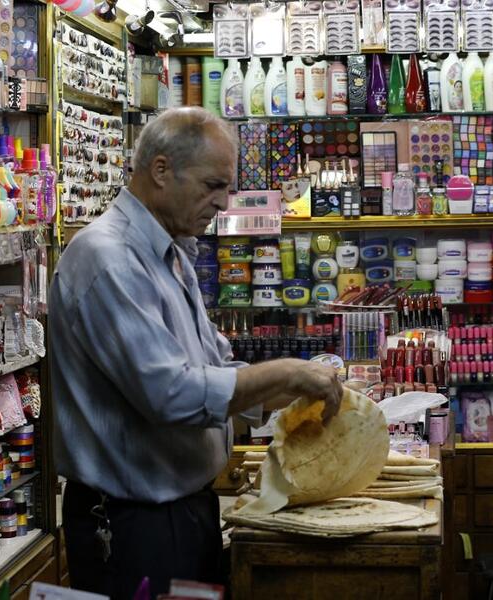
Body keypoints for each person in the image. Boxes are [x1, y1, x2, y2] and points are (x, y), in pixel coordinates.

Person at [49, 107, 343, 599]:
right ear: (161, 170)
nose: (223, 203)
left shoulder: (170, 255)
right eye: (212, 185)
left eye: (226, 188)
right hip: (130, 528)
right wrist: (289, 373)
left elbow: (217, 370)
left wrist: (309, 391)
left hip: (181, 515)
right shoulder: (109, 259)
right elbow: (173, 395)